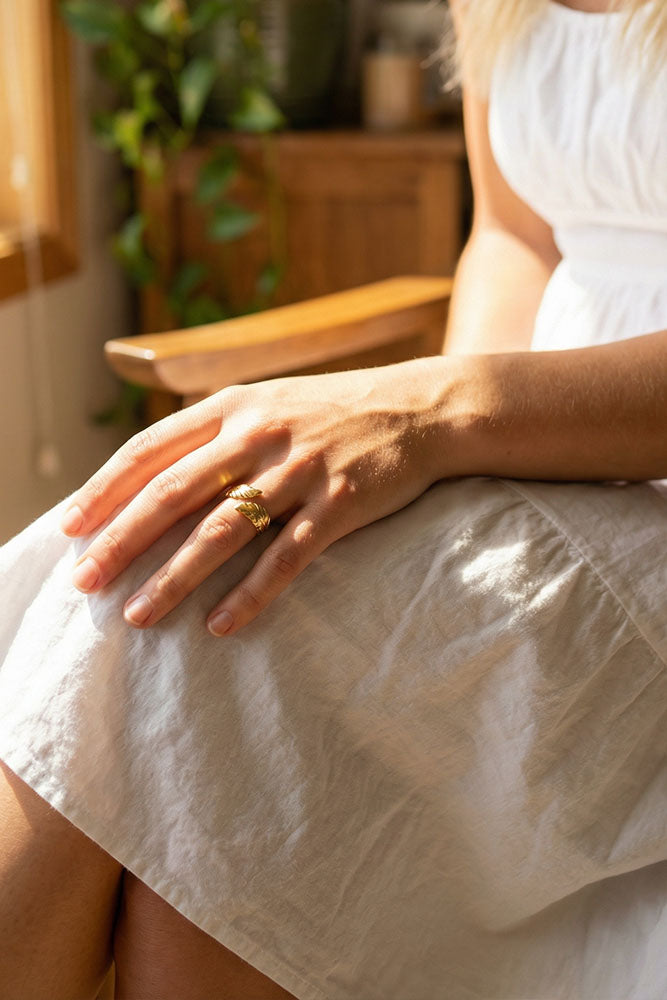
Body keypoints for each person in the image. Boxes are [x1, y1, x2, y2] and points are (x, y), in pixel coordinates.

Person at [1, 0, 666, 997]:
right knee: (148, 578)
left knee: (208, 636)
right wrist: (462, 481)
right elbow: (515, 236)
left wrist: (439, 413)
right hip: (530, 447)